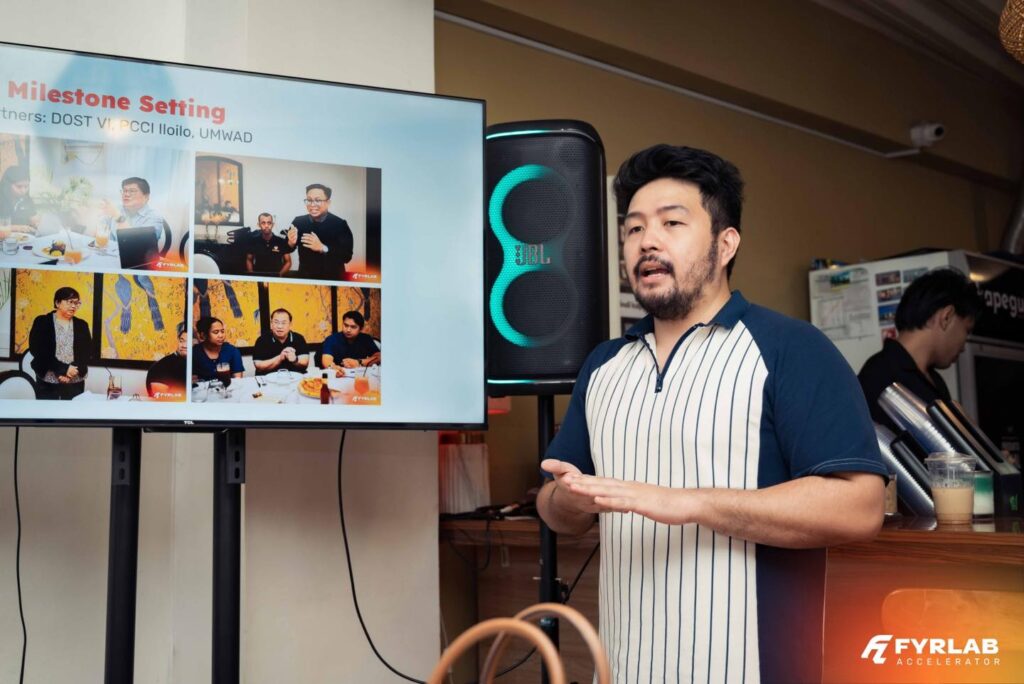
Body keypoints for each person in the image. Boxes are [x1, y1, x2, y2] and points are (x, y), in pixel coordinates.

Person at [537, 144, 886, 684]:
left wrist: (688, 502)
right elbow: (556, 509)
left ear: (726, 244)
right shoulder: (603, 365)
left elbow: (860, 507)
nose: (647, 241)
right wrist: (568, 499)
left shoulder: (791, 348)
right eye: (633, 228)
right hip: (626, 667)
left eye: (671, 223)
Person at [858, 267, 984, 432]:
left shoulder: (935, 381)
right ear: (946, 317)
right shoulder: (879, 377)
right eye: (966, 330)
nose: (963, 346)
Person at [28, 286, 91, 400]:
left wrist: (70, 372)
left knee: (73, 411)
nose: (74, 306)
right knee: (47, 411)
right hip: (48, 379)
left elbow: (87, 352)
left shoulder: (82, 325)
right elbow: (37, 351)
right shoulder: (42, 322)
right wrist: (63, 369)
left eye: (76, 303)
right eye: (70, 302)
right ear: (57, 303)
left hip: (75, 379)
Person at [285, 183, 353, 280]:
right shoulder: (298, 222)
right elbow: (286, 249)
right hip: (306, 278)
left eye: (318, 200)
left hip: (332, 279)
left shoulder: (340, 224)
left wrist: (323, 248)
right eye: (309, 200)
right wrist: (290, 243)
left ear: (328, 202)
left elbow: (347, 256)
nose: (312, 205)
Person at [101, 177, 167, 241]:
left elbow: (137, 243)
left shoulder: (154, 217)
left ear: (146, 197)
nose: (126, 194)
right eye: (124, 191)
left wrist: (118, 217)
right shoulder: (117, 209)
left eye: (132, 191)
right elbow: (100, 232)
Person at [252, 308, 309, 375]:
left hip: (294, 378)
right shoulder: (261, 340)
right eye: (276, 322)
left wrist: (295, 360)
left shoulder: (299, 338)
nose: (280, 326)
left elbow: (305, 363)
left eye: (284, 323)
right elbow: (259, 366)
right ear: (271, 324)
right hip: (268, 380)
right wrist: (280, 357)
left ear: (290, 325)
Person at [191, 316, 243, 383]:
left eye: (222, 331)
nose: (221, 335)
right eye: (216, 332)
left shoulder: (232, 351)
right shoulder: (194, 352)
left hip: (228, 388)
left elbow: (238, 379)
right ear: (203, 335)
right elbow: (193, 382)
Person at [146, 321, 188, 397]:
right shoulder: (161, 367)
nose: (184, 345)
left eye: (189, 342)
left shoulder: (193, 364)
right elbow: (161, 399)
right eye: (181, 341)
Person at [245, 213, 292, 277]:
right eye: (263, 223)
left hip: (276, 277)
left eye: (269, 223)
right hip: (259, 276)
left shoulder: (281, 241)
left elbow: (288, 262)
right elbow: (249, 260)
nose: (266, 225)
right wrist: (252, 276)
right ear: (258, 225)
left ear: (273, 225)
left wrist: (279, 275)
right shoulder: (253, 241)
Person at [0, 165, 39, 231]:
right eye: (19, 186)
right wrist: (16, 228)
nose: (23, 191)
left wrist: (37, 223)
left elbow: (34, 218)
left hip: (23, 237)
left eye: (26, 186)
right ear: (7, 185)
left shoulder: (27, 200)